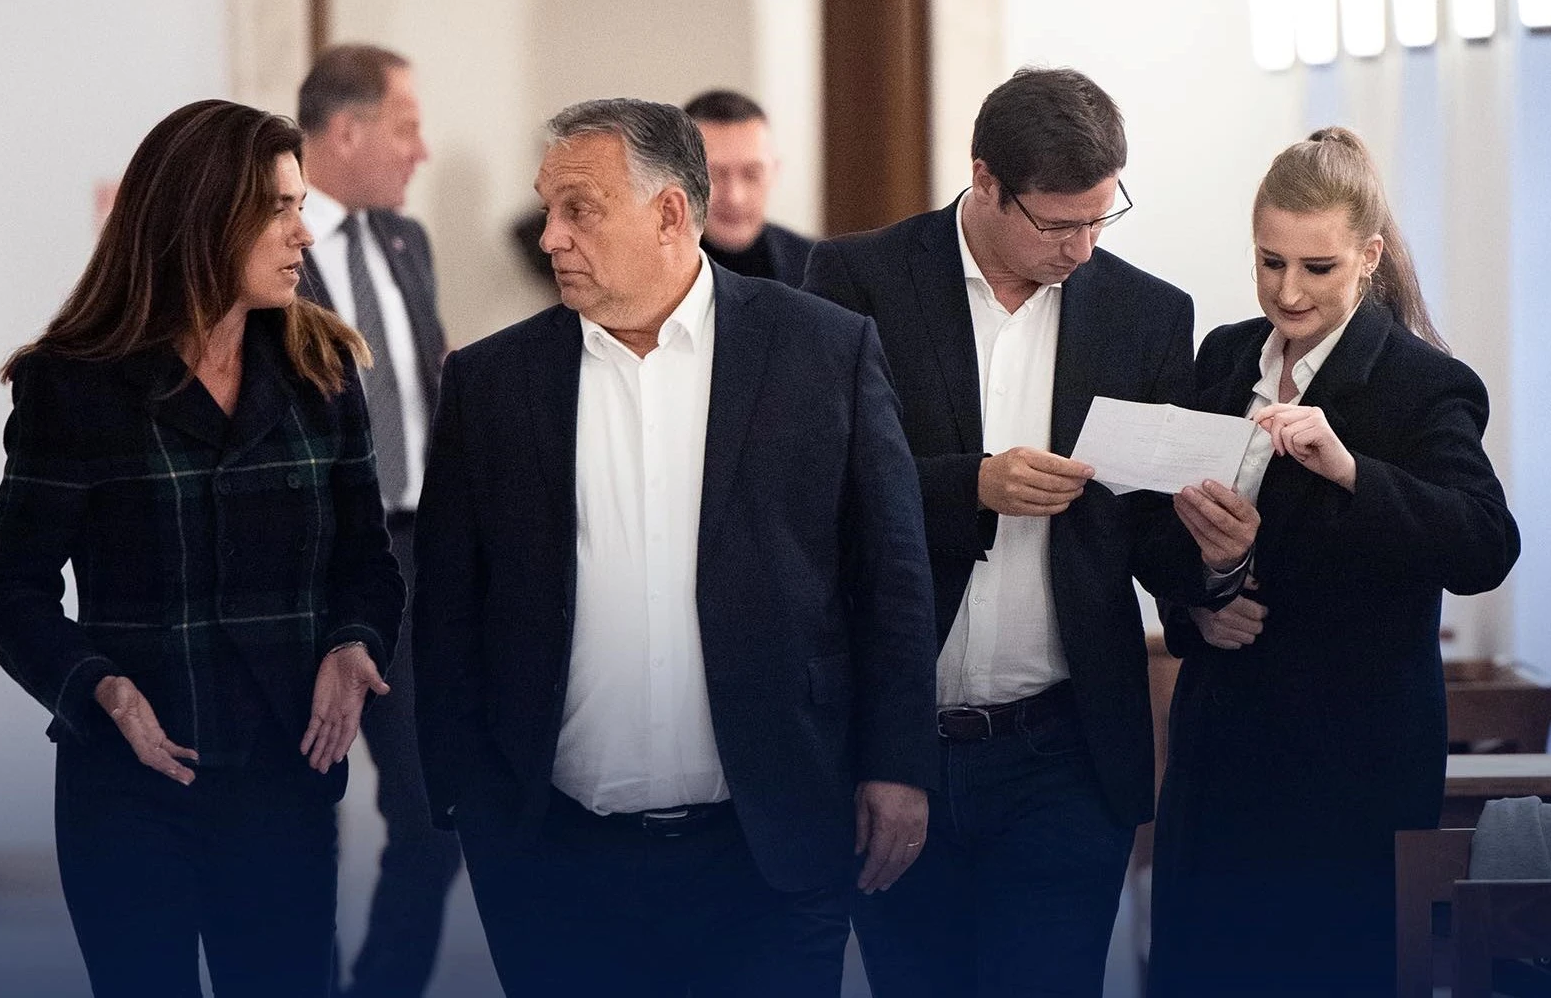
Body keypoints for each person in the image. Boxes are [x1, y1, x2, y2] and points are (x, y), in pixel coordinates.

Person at [414, 98, 938, 996]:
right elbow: (449, 604)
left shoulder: (824, 350)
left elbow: (890, 575)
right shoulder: (489, 382)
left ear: (667, 214)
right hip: (554, 863)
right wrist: (475, 804)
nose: (550, 237)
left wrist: (897, 763)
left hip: (772, 851)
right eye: (548, 208)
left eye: (579, 209)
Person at [803, 66, 1229, 997]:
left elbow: (1150, 531)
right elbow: (816, 488)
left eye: (1101, 218)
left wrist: (1217, 553)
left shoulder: (1149, 313)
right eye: (1057, 223)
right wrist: (974, 485)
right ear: (985, 180)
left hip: (1064, 749)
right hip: (900, 739)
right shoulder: (858, 277)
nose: (1082, 247)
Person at [0, 99, 405, 998]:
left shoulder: (323, 368)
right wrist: (101, 686)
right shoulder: (72, 386)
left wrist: (353, 641)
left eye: (300, 207)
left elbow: (368, 560)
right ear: (205, 218)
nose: (302, 233)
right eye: (280, 210)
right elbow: (11, 595)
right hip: (127, 786)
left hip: (285, 781)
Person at [1147, 127, 1520, 998]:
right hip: (1218, 754)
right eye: (1269, 261)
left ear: (1368, 257)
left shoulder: (1423, 382)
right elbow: (1165, 524)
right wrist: (1200, 599)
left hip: (1350, 766)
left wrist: (1352, 471)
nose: (1288, 290)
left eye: (1317, 267)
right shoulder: (1224, 356)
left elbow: (1485, 543)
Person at [294, 44, 461, 998]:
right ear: (346, 130)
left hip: (411, 558)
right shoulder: (269, 245)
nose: (421, 150)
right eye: (406, 127)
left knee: (435, 815)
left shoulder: (406, 241)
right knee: (297, 822)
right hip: (305, 567)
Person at [685, 89, 816, 286]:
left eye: (751, 174)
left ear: (774, 172)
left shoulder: (817, 269)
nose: (735, 197)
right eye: (713, 176)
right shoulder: (644, 272)